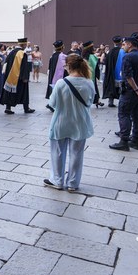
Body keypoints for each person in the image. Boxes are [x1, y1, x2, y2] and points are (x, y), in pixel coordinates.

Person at [43, 54, 94, 192]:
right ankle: (72, 183)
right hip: (80, 123)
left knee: (58, 152)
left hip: (61, 122)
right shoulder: (89, 82)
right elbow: (90, 102)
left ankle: (57, 180)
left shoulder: (61, 83)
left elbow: (52, 104)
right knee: (77, 153)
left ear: (69, 66)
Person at [109, 37, 138, 151]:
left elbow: (128, 76)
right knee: (137, 115)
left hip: (130, 91)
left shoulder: (127, 57)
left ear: (129, 44)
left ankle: (124, 141)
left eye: (124, 44)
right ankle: (136, 140)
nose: (122, 46)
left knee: (124, 114)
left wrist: (136, 90)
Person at [0, 37, 35, 114]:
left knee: (10, 91)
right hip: (20, 77)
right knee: (24, 92)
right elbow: (24, 67)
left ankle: (8, 108)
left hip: (10, 76)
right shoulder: (23, 54)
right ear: (24, 44)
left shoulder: (11, 52)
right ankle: (26, 108)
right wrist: (25, 77)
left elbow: (6, 63)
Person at [102, 36, 124, 107]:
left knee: (111, 86)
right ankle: (121, 101)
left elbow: (106, 62)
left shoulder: (110, 52)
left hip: (111, 73)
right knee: (121, 87)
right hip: (120, 73)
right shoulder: (122, 51)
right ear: (121, 42)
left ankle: (110, 102)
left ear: (114, 42)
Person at [81, 41, 103, 107]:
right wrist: (98, 76)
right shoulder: (92, 57)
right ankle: (97, 101)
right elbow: (96, 67)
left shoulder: (82, 57)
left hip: (83, 75)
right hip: (91, 75)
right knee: (94, 88)